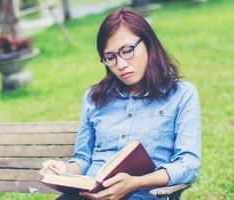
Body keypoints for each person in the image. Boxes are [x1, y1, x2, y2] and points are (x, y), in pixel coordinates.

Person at [39, 7, 201, 200]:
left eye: (127, 51)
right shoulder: (94, 97)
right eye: (110, 57)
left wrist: (135, 183)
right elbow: (83, 159)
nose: (121, 64)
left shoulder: (182, 94)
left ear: (149, 44)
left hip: (143, 195)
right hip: (90, 195)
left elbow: (188, 164)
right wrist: (63, 169)